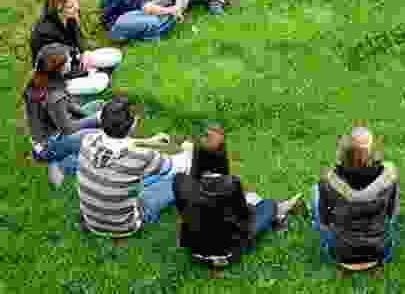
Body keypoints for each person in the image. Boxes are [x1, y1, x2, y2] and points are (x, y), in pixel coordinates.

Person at [173, 124, 302, 267]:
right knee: (268, 205)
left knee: (252, 203)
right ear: (221, 157)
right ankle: (279, 212)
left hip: (195, 253)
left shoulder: (179, 181)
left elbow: (183, 215)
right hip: (229, 252)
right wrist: (252, 207)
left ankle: (279, 212)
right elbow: (244, 220)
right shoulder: (231, 184)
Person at [77, 96, 189, 236]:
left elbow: (118, 143)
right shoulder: (142, 156)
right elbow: (178, 166)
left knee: (130, 177)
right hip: (124, 226)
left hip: (91, 219)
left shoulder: (88, 140)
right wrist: (188, 149)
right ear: (133, 124)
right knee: (177, 178)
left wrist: (148, 142)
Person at [311, 127, 400, 269]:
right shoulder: (389, 175)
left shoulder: (329, 180)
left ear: (344, 150)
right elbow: (392, 213)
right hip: (380, 252)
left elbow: (325, 220)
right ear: (373, 150)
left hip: (340, 254)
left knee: (316, 191)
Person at [23, 43, 104, 188]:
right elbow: (68, 128)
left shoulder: (42, 81)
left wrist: (91, 115)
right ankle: (62, 164)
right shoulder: (54, 96)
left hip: (54, 130)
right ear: (58, 68)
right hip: (48, 145)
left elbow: (70, 107)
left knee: (99, 105)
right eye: (67, 61)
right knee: (97, 136)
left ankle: (68, 154)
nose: (70, 62)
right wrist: (95, 119)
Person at [31, 0, 122, 96]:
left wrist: (85, 52)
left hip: (74, 59)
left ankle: (97, 72)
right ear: (59, 10)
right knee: (99, 83)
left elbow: (78, 39)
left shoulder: (68, 18)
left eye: (76, 4)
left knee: (116, 55)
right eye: (70, 6)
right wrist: (86, 70)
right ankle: (96, 74)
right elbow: (57, 69)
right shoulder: (45, 33)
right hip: (58, 78)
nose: (76, 8)